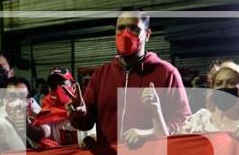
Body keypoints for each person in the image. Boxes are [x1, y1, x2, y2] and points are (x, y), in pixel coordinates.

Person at [67, 8, 191, 147]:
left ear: (147, 34)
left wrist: (149, 133)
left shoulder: (167, 73)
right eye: (120, 28)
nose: (125, 34)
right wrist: (79, 112)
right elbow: (85, 124)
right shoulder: (101, 75)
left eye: (133, 28)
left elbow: (183, 121)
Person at [151, 61, 239, 153]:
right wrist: (156, 111)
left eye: (230, 82)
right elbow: (168, 148)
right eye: (219, 83)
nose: (224, 87)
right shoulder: (199, 119)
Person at [32, 68, 81, 146]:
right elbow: (44, 132)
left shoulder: (85, 107)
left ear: (74, 87)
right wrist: (27, 128)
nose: (58, 88)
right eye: (53, 85)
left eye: (62, 83)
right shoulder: (47, 112)